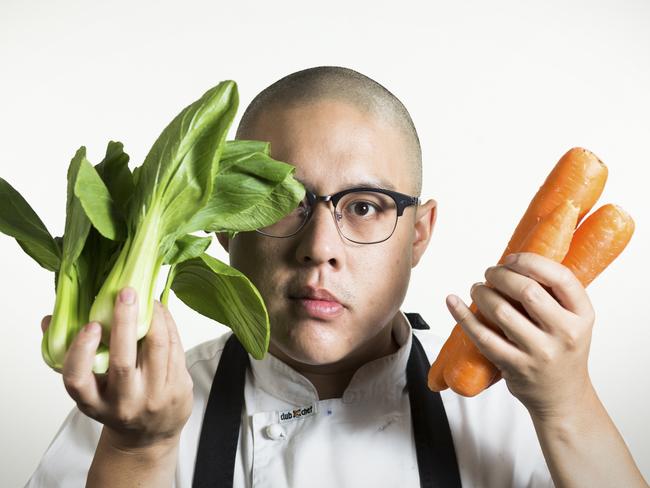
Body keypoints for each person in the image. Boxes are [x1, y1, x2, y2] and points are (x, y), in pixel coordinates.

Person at [26, 67, 647, 488]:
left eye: (365, 205)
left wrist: (567, 403)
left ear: (419, 235)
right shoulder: (134, 412)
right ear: (224, 226)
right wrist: (138, 452)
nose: (319, 249)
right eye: (282, 203)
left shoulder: (516, 416)